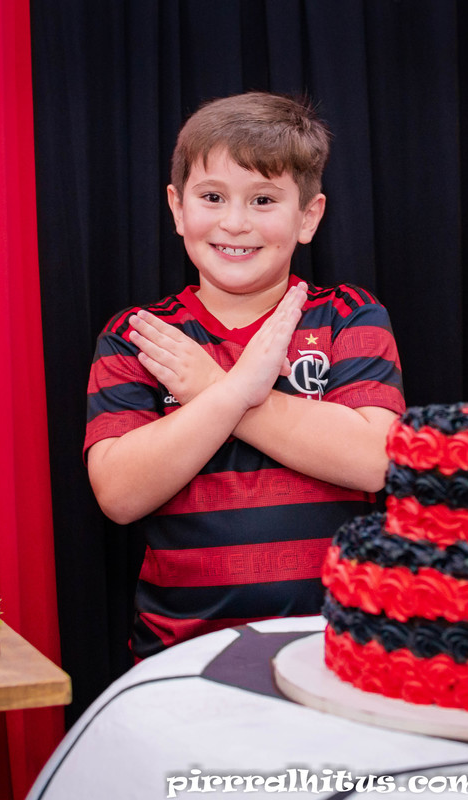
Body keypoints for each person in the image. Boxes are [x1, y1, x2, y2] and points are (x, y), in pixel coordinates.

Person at [84, 92, 405, 660]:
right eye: (212, 197)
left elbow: (374, 460)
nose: (235, 223)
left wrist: (211, 388)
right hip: (181, 652)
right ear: (178, 207)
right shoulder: (142, 336)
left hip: (335, 645)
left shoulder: (349, 316)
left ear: (308, 217)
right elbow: (120, 493)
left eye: (263, 200)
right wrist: (236, 390)